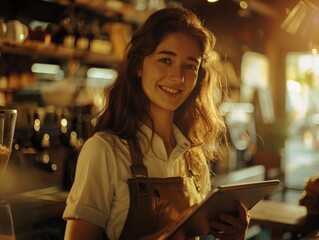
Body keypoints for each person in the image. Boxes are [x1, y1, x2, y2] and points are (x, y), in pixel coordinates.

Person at [62, 6, 250, 240]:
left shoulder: (193, 158)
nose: (178, 77)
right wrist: (173, 231)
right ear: (139, 65)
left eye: (190, 65)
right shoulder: (104, 150)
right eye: (165, 60)